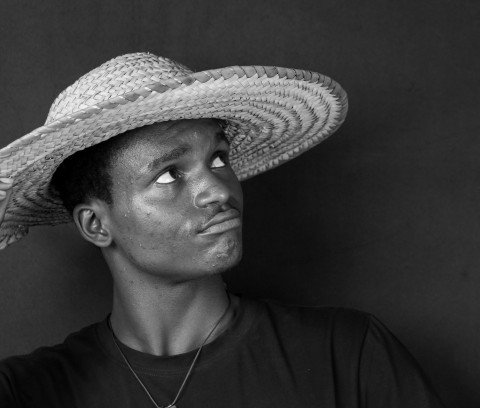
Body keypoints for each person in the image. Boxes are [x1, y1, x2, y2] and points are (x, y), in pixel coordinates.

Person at [0, 52, 444, 407]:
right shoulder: (29, 391)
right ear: (96, 224)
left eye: (218, 158)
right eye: (169, 175)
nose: (216, 188)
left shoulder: (346, 357)